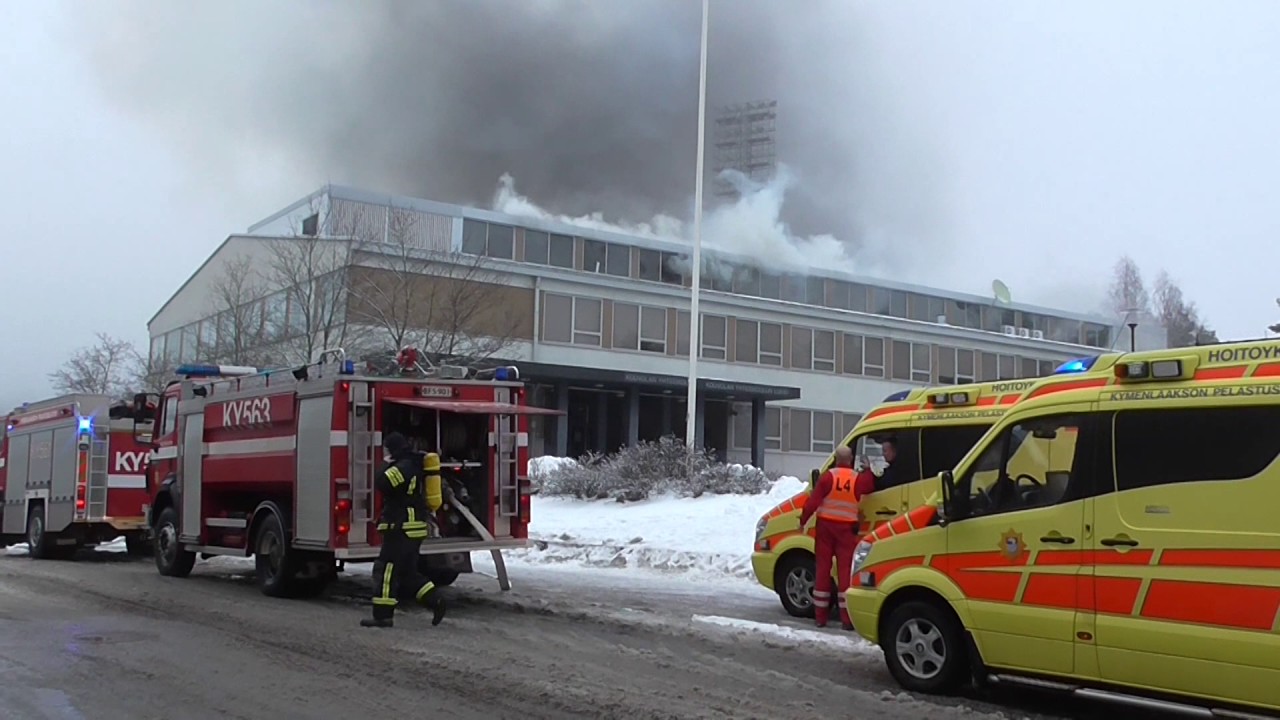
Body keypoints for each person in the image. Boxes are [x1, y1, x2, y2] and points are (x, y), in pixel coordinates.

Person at [362, 432, 447, 628]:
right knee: (408, 574)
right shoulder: (412, 462)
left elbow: (383, 483)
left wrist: (385, 464)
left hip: (402, 528)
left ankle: (382, 616)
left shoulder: (405, 466)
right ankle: (436, 601)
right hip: (410, 528)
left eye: (387, 449)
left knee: (386, 570)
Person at [799, 445, 874, 630]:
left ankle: (820, 617)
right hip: (847, 530)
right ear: (850, 459)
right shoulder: (857, 479)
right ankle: (846, 619)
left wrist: (803, 521)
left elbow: (813, 502)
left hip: (825, 528)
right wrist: (868, 470)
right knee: (845, 572)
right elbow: (870, 486)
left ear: (836, 459)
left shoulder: (827, 477)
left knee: (822, 571)